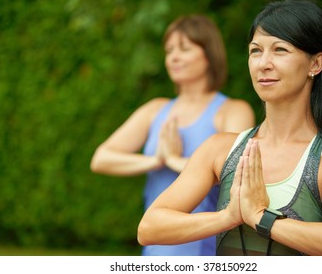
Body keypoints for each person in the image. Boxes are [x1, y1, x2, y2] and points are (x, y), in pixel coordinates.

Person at [137, 0, 322, 256]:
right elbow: (150, 227)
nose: (264, 63)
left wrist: (262, 218)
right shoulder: (220, 148)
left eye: (280, 50)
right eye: (255, 51)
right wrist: (229, 216)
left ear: (315, 64)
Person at [90, 14, 255, 256]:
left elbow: (237, 173)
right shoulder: (155, 109)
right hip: (155, 246)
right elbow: (101, 158)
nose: (173, 57)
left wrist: (175, 160)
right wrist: (157, 160)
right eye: (169, 50)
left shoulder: (233, 111)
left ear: (209, 55)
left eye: (184, 48)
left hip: (206, 248)